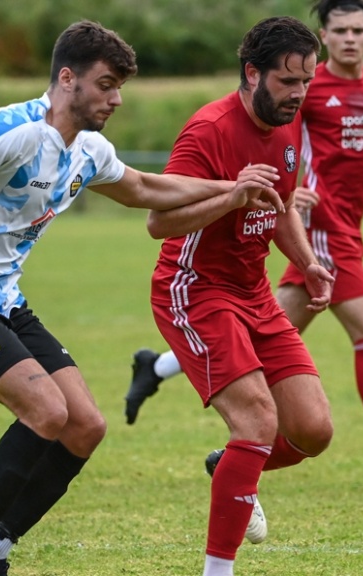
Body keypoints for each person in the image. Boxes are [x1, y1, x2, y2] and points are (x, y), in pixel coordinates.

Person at [0, 20, 282, 576]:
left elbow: (145, 189)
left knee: (85, 425)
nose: (117, 98)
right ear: (67, 79)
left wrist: (233, 190)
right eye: (106, 85)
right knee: (47, 410)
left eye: (119, 87)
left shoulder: (89, 151)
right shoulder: (13, 129)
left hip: (4, 302)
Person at [126, 0, 363, 492]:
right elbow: (175, 211)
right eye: (340, 29)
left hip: (330, 234)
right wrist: (280, 199)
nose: (350, 38)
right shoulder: (274, 99)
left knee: (282, 359)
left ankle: (159, 370)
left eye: (359, 29)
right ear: (324, 37)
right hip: (314, 229)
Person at [140, 16, 333, 576]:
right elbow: (158, 222)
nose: (299, 94)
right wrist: (231, 195)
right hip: (194, 289)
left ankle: (232, 467)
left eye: (306, 82)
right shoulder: (208, 130)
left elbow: (280, 208)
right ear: (252, 74)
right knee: (256, 422)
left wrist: (309, 263)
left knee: (313, 431)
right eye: (288, 81)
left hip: (255, 293)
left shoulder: (289, 126)